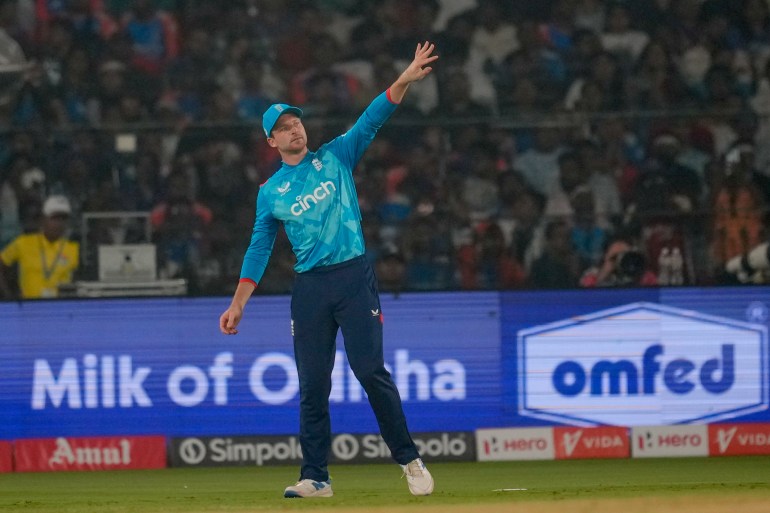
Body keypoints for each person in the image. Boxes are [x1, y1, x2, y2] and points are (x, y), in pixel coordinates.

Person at [219, 42, 438, 499]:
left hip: (353, 277)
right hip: (311, 288)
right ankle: (316, 477)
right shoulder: (270, 192)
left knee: (368, 369)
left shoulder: (335, 156)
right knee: (312, 386)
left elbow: (372, 119)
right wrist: (238, 303)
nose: (294, 128)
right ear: (271, 142)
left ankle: (409, 459)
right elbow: (259, 248)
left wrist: (403, 79)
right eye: (283, 127)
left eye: (295, 121)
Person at [0, 195, 79, 299]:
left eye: (63, 219)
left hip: (60, 309)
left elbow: (80, 284)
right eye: (54, 218)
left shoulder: (73, 248)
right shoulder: (23, 242)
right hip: (28, 308)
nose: (59, 224)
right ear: (43, 219)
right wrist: (9, 297)